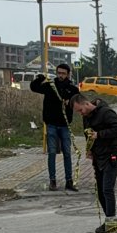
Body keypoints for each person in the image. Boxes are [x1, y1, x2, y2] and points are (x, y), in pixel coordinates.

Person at [70, 94, 117, 233]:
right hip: (98, 157)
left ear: (86, 104)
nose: (80, 113)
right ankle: (110, 221)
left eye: (80, 110)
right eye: (78, 112)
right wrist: (89, 150)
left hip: (112, 155)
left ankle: (112, 222)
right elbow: (87, 134)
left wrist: (100, 134)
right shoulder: (86, 118)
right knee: (100, 191)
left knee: (107, 189)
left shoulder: (106, 112)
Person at [30, 63, 80, 191]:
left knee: (67, 153)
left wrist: (70, 103)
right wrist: (40, 78)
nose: (60, 75)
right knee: (52, 153)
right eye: (59, 73)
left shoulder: (73, 89)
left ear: (68, 74)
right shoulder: (50, 86)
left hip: (65, 125)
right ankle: (53, 181)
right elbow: (34, 88)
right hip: (51, 124)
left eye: (63, 73)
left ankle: (69, 181)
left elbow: (78, 104)